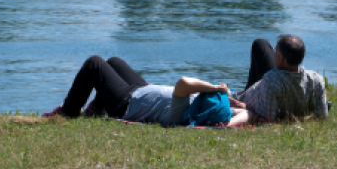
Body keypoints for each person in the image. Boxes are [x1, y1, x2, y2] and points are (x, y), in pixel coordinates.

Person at [43, 55, 232, 126]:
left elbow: (183, 83)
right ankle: (97, 107)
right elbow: (243, 112)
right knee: (114, 62)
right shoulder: (198, 108)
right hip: (141, 91)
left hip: (127, 103)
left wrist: (215, 87)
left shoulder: (183, 112)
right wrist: (235, 101)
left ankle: (68, 112)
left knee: (95, 63)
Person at [228, 35, 328, 125]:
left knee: (260, 43)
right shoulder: (317, 80)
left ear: (281, 57)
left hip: (244, 101)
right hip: (257, 94)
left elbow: (267, 119)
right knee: (260, 43)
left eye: (275, 51)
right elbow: (322, 118)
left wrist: (243, 105)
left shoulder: (272, 80)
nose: (274, 54)